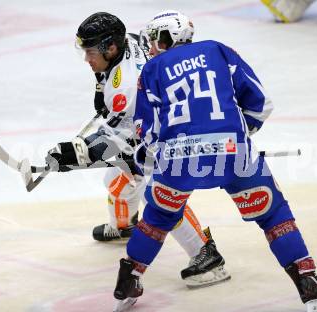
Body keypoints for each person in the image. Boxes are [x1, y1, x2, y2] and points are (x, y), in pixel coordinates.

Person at [111, 10, 317, 312]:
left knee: (157, 219)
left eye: (154, 41)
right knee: (273, 213)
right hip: (233, 153)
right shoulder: (218, 50)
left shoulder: (152, 70)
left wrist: (148, 159)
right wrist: (237, 133)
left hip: (178, 161)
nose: (151, 48)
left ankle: (129, 278)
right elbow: (261, 103)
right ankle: (309, 282)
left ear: (166, 37)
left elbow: (148, 131)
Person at [45, 12, 230, 289]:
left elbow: (125, 140)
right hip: (164, 123)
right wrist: (101, 86)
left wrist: (80, 151)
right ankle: (125, 227)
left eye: (91, 52)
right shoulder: (129, 42)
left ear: (111, 47)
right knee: (119, 181)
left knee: (159, 195)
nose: (86, 59)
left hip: (172, 135)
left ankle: (207, 255)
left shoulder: (128, 86)